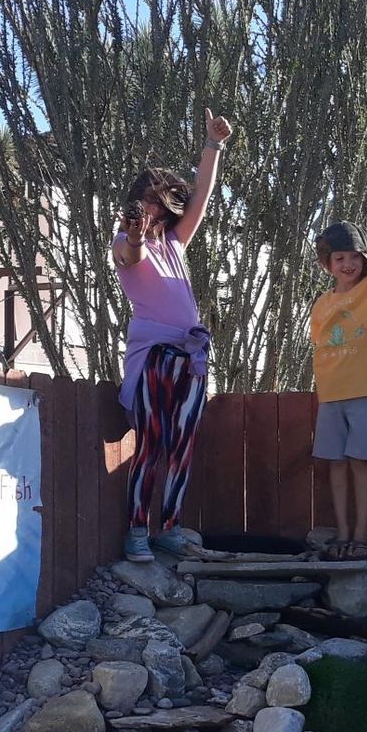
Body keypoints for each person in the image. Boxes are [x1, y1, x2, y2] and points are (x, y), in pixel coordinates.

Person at [112, 110, 231, 563]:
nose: (150, 208)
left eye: (157, 201)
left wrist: (212, 145)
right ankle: (137, 531)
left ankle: (170, 526)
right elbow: (129, 254)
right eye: (144, 201)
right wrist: (136, 236)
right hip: (155, 358)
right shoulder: (124, 240)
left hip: (191, 357)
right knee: (152, 442)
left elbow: (201, 195)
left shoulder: (177, 244)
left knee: (182, 445)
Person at [310, 205, 367, 559]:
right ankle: (343, 532)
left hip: (364, 394)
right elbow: (321, 345)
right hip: (331, 396)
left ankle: (362, 534)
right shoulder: (321, 303)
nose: (347, 263)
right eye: (339, 257)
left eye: (354, 256)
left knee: (361, 463)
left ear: (364, 257)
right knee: (336, 463)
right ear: (328, 263)